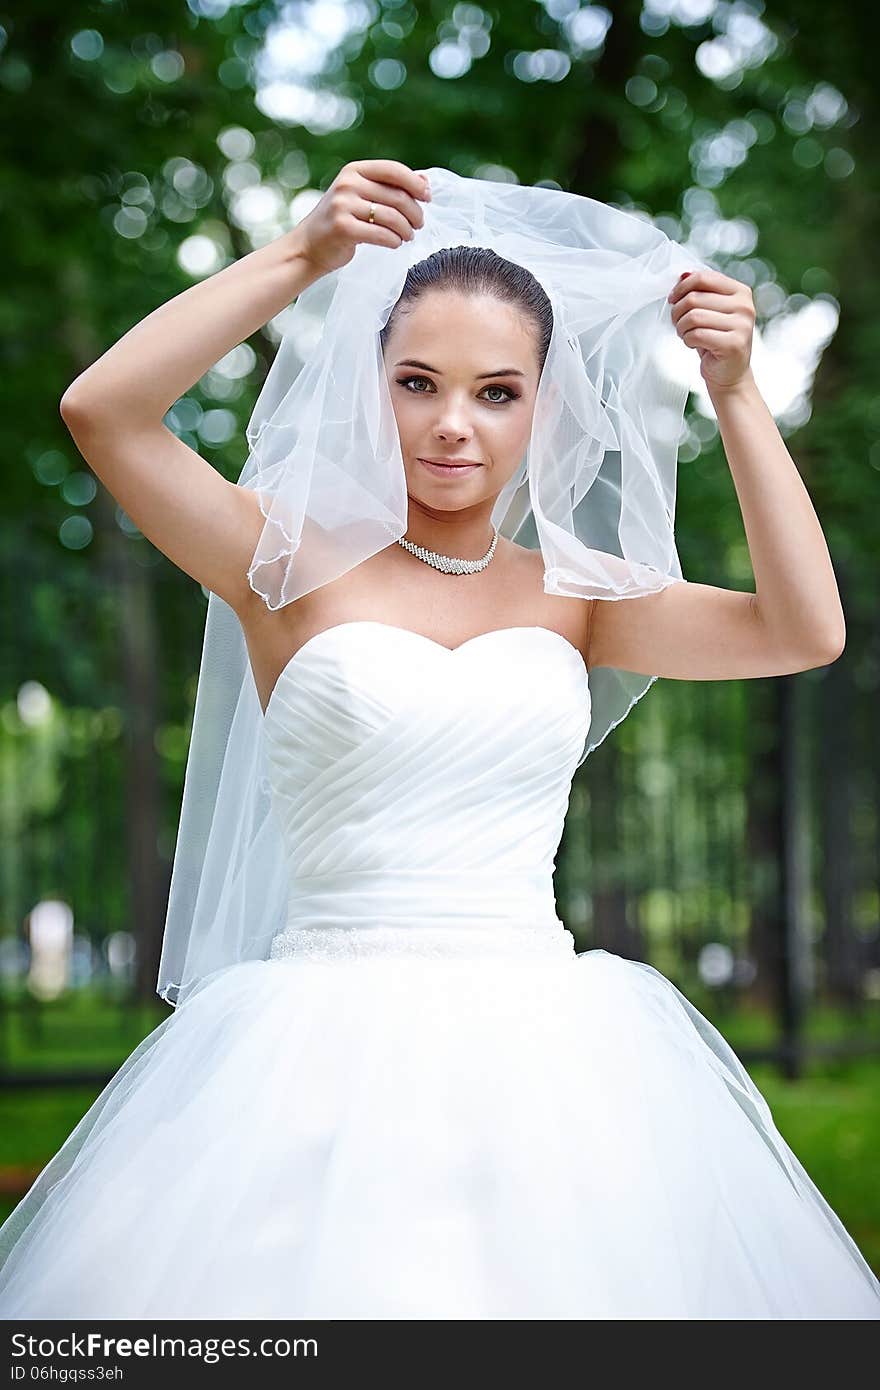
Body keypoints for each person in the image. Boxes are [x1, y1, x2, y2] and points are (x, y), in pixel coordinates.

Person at [1, 158, 878, 1320]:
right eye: (418, 382)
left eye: (496, 391)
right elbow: (100, 411)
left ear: (544, 407)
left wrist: (736, 392)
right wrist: (304, 255)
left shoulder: (577, 592)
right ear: (371, 388)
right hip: (310, 1050)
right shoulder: (280, 562)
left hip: (551, 1057)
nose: (453, 424)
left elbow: (801, 629)